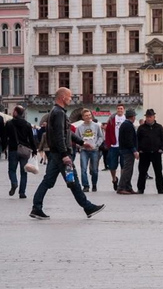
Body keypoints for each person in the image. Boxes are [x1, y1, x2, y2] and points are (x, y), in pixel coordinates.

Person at [29, 87, 105, 220]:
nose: (71, 99)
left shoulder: (58, 112)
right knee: (73, 181)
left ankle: (36, 207)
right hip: (61, 154)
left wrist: (82, 142)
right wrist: (64, 154)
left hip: (55, 154)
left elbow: (67, 133)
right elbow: (59, 135)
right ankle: (87, 207)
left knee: (48, 181)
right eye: (69, 97)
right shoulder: (58, 113)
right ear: (63, 97)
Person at [6, 105, 37, 199]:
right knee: (24, 172)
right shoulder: (27, 124)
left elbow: (4, 136)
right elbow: (31, 139)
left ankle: (14, 183)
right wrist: (34, 150)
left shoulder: (9, 123)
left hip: (13, 149)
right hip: (25, 150)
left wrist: (4, 146)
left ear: (15, 112)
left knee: (12, 170)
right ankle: (22, 192)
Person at [137, 109, 163, 195]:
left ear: (154, 117)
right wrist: (139, 149)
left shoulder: (159, 127)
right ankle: (140, 189)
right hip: (144, 153)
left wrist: (161, 149)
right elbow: (137, 139)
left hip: (156, 153)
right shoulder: (141, 128)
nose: (149, 119)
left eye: (150, 117)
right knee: (142, 172)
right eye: (147, 117)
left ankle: (160, 189)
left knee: (158, 172)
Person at [75, 109, 103, 192]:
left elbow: (101, 137)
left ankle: (94, 184)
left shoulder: (96, 126)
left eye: (89, 115)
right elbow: (76, 139)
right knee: (83, 169)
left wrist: (96, 145)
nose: (88, 117)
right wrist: (81, 146)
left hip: (94, 150)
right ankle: (86, 186)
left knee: (94, 169)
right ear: (83, 117)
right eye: (86, 115)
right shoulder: (79, 128)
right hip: (84, 150)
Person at [104, 103, 127, 191]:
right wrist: (108, 144)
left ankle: (121, 183)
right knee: (112, 166)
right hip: (114, 145)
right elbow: (108, 131)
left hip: (123, 146)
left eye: (121, 108)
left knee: (123, 165)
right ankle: (114, 179)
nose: (119, 110)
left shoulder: (126, 119)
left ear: (123, 110)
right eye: (118, 109)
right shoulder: (112, 119)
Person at [116, 109, 139, 194]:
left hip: (125, 149)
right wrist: (134, 150)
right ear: (132, 117)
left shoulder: (126, 124)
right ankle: (121, 187)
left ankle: (128, 187)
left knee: (129, 169)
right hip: (127, 150)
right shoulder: (128, 125)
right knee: (127, 170)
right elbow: (129, 140)